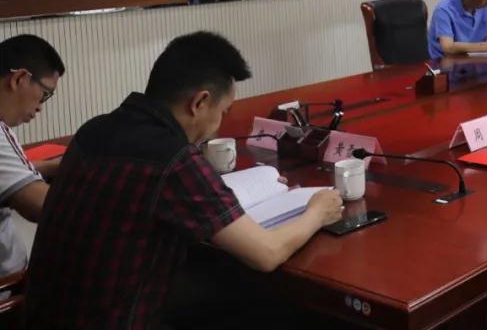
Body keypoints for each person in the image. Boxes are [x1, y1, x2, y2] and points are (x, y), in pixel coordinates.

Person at [24, 32, 344, 330]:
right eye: (223, 111)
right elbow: (266, 253)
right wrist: (317, 212)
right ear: (199, 102)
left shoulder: (93, 129)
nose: (218, 125)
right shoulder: (173, 159)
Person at [0, 35, 65, 278]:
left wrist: (49, 167)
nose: (40, 107)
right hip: (8, 288)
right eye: (45, 94)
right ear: (19, 78)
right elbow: (45, 207)